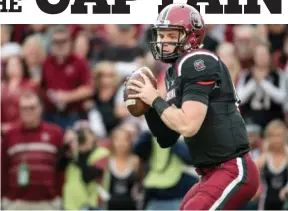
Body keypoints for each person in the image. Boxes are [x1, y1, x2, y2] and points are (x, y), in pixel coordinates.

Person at [125, 3, 260, 210]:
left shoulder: (198, 60)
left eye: (171, 35)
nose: (163, 41)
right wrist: (148, 108)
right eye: (161, 36)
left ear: (192, 37)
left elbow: (188, 126)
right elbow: (166, 137)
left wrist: (154, 99)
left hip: (232, 168)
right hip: (210, 173)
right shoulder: (173, 72)